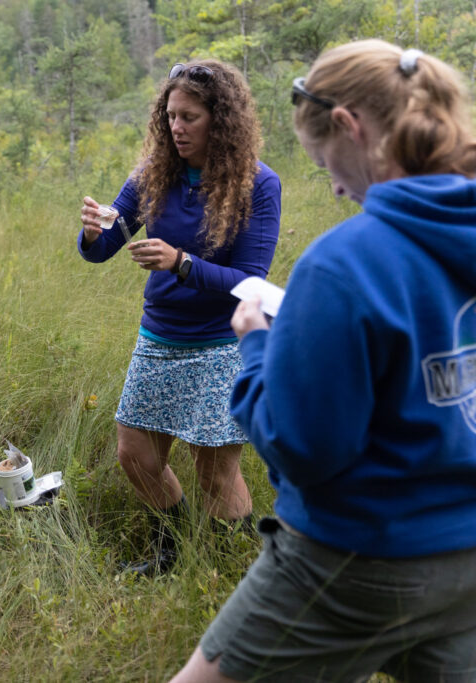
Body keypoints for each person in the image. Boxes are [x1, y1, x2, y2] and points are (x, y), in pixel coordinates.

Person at [173, 40, 476, 682]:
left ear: (349, 126)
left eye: (326, 164)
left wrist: (257, 347)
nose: (336, 188)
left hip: (352, 560)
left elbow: (306, 448)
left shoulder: (348, 263)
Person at [78, 60, 281, 576]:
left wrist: (182, 263)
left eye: (190, 116)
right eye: (170, 115)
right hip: (160, 336)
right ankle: (172, 554)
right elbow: (103, 249)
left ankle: (228, 570)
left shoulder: (257, 184)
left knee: (215, 469)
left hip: (221, 342)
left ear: (221, 120)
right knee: (136, 454)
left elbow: (250, 282)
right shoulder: (153, 173)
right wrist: (96, 231)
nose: (177, 127)